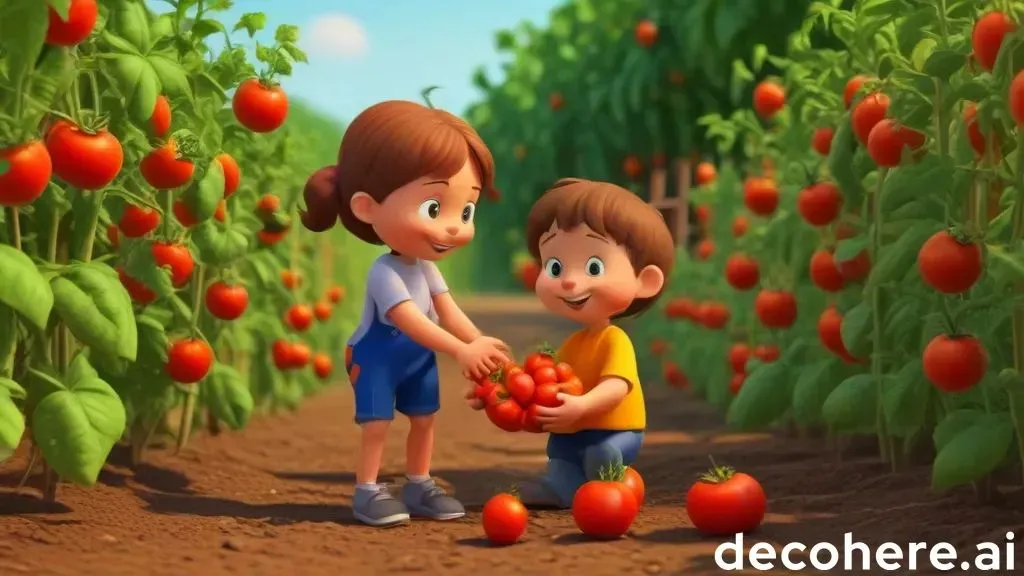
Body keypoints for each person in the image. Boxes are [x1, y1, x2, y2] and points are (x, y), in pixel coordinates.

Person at [302, 100, 511, 527]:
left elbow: (446, 310)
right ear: (366, 207)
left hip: (416, 358)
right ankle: (367, 491)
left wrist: (477, 342)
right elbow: (408, 320)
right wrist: (460, 351)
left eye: (465, 210)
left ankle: (418, 483)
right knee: (377, 425)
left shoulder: (427, 269)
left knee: (423, 419)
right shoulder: (384, 272)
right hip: (376, 355)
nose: (454, 225)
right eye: (434, 208)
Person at [469, 178, 674, 508]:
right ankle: (562, 487)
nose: (567, 280)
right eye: (554, 265)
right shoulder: (574, 344)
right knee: (563, 458)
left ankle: (608, 483)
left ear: (644, 281)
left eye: (594, 266)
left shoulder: (614, 340)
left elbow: (616, 387)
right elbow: (537, 386)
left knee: (601, 454)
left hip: (615, 432)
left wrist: (581, 407)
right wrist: (495, 393)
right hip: (572, 432)